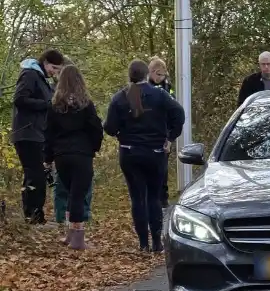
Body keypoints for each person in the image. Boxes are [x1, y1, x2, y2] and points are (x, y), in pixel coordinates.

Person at [105, 60, 186, 252]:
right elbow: (179, 114)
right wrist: (170, 137)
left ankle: (143, 243)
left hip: (130, 152)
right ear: (145, 75)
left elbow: (109, 127)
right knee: (154, 198)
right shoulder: (159, 95)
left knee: (137, 198)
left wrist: (119, 132)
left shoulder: (119, 98)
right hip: (155, 153)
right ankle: (157, 241)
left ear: (129, 75)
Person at [44, 65, 103, 250]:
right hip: (81, 154)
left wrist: (48, 157)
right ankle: (78, 239)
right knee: (79, 194)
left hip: (62, 155)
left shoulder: (54, 106)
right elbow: (96, 128)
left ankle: (70, 235)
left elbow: (48, 133)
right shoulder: (85, 104)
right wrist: (94, 147)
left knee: (71, 193)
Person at [11, 49, 65, 224]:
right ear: (46, 62)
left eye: (57, 69)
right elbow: (19, 99)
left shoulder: (41, 79)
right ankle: (34, 218)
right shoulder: (29, 75)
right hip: (26, 132)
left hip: (36, 133)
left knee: (35, 175)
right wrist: (46, 104)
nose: (54, 72)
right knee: (36, 176)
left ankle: (34, 216)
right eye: (54, 67)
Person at [148, 57, 174, 207]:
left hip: (164, 132)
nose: (161, 78)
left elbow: (174, 105)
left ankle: (163, 199)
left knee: (162, 169)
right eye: (158, 74)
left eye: (163, 75)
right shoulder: (143, 86)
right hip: (148, 133)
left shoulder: (167, 86)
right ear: (151, 72)